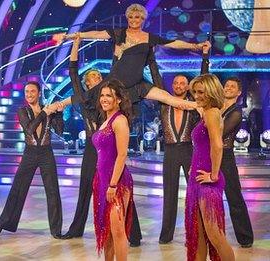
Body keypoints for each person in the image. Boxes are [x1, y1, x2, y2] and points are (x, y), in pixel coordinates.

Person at [61, 35, 143, 247]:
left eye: (99, 76)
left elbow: (115, 70)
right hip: (91, 148)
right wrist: (77, 44)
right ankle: (76, 228)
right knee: (85, 187)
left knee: (118, 191)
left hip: (108, 149)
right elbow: (72, 70)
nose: (97, 79)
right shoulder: (81, 95)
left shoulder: (106, 100)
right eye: (93, 77)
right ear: (88, 82)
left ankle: (133, 235)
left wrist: (117, 47)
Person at [62, 4, 208, 109]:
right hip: (118, 83)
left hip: (138, 84)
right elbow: (98, 33)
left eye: (137, 17)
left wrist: (195, 46)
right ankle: (57, 105)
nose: (133, 20)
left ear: (143, 19)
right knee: (91, 97)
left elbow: (173, 43)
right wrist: (79, 35)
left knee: (167, 98)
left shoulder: (149, 37)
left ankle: (201, 107)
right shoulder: (120, 33)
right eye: (130, 17)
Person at [0, 81, 64, 238]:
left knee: (53, 191)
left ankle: (56, 230)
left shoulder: (48, 109)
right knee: (18, 188)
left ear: (39, 93)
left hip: (46, 153)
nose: (29, 94)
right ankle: (4, 223)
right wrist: (45, 113)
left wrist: (58, 113)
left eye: (32, 91)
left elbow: (60, 130)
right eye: (27, 92)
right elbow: (30, 129)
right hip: (30, 153)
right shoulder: (22, 111)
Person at [158, 42, 211, 244]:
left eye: (183, 83)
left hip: (190, 151)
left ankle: (198, 232)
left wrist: (204, 56)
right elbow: (154, 76)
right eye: (176, 83)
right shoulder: (164, 102)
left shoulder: (194, 103)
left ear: (188, 86)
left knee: (195, 193)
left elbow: (204, 80)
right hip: (170, 151)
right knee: (169, 194)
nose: (179, 86)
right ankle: (166, 235)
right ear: (172, 86)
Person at [185, 74, 235, 261]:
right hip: (196, 178)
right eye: (195, 92)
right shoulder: (206, 113)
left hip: (207, 181)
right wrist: (192, 167)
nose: (197, 96)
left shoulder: (213, 112)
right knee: (198, 236)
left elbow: (217, 145)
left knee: (215, 235)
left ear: (212, 92)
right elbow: (201, 146)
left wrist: (213, 175)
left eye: (201, 92)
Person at [92, 79, 134, 260]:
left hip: (116, 182)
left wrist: (113, 184)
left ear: (118, 99)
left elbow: (122, 155)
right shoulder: (105, 120)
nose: (104, 99)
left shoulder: (120, 120)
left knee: (117, 231)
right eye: (102, 95)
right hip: (102, 181)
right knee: (106, 231)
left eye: (109, 95)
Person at [221, 77, 253, 248]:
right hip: (211, 155)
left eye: (232, 86)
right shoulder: (216, 107)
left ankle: (245, 237)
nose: (228, 88)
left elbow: (221, 132)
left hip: (225, 157)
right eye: (226, 85)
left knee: (234, 198)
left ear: (239, 92)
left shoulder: (236, 111)